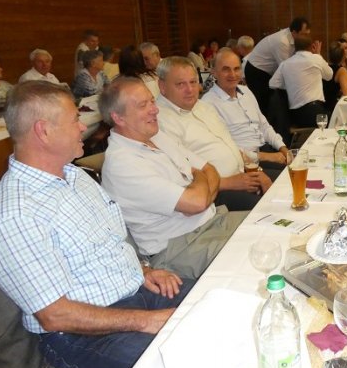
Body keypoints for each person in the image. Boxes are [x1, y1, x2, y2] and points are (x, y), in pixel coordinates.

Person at [0, 81, 192, 368]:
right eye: (75, 119)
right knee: (188, 357)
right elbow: (54, 315)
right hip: (81, 335)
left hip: (134, 294)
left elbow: (107, 244)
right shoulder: (15, 214)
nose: (83, 127)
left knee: (217, 301)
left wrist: (144, 271)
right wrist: (146, 321)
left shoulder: (74, 176)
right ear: (44, 131)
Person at [100, 77, 247, 279]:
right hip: (180, 248)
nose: (155, 109)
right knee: (256, 250)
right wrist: (199, 179)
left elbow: (209, 170)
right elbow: (197, 201)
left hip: (214, 221)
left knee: (274, 225)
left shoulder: (155, 135)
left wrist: (199, 189)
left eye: (152, 101)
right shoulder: (122, 163)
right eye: (143, 105)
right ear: (118, 118)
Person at [156, 56, 274, 210]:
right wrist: (230, 183)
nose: (190, 90)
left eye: (193, 82)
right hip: (216, 193)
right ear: (162, 86)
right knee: (270, 209)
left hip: (242, 174)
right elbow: (181, 176)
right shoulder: (159, 121)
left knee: (286, 183)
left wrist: (255, 171)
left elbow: (230, 146)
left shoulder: (203, 106)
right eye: (180, 84)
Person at [202, 48, 288, 167]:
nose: (232, 74)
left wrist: (282, 148)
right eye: (226, 69)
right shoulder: (208, 103)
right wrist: (266, 156)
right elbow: (224, 148)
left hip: (266, 149)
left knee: (303, 164)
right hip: (244, 163)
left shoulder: (246, 91)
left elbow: (264, 125)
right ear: (214, 73)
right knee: (291, 175)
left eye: (236, 69)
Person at [244, 17, 311, 115]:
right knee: (263, 104)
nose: (306, 38)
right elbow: (287, 69)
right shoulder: (282, 41)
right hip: (256, 70)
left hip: (267, 71)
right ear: (294, 32)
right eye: (304, 34)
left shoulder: (294, 39)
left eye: (308, 34)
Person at [269, 35, 333, 127]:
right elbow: (329, 75)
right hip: (315, 112)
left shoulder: (285, 63)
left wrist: (290, 84)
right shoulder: (316, 59)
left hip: (295, 116)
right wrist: (318, 54)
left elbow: (272, 84)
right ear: (312, 46)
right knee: (336, 121)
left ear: (295, 47)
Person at [324, 42, 347, 114]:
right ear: (343, 56)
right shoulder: (341, 70)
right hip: (332, 107)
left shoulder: (325, 66)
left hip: (323, 103)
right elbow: (346, 92)